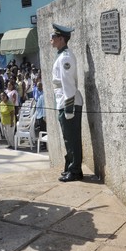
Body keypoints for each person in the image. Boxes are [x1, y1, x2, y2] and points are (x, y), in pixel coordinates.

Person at [50, 23, 84, 182]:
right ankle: (70, 166)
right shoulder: (61, 55)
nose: (51, 39)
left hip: (68, 103)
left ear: (61, 39)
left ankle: (75, 170)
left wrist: (68, 108)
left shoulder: (66, 58)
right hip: (63, 102)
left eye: (54, 36)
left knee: (72, 139)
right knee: (68, 138)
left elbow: (68, 84)